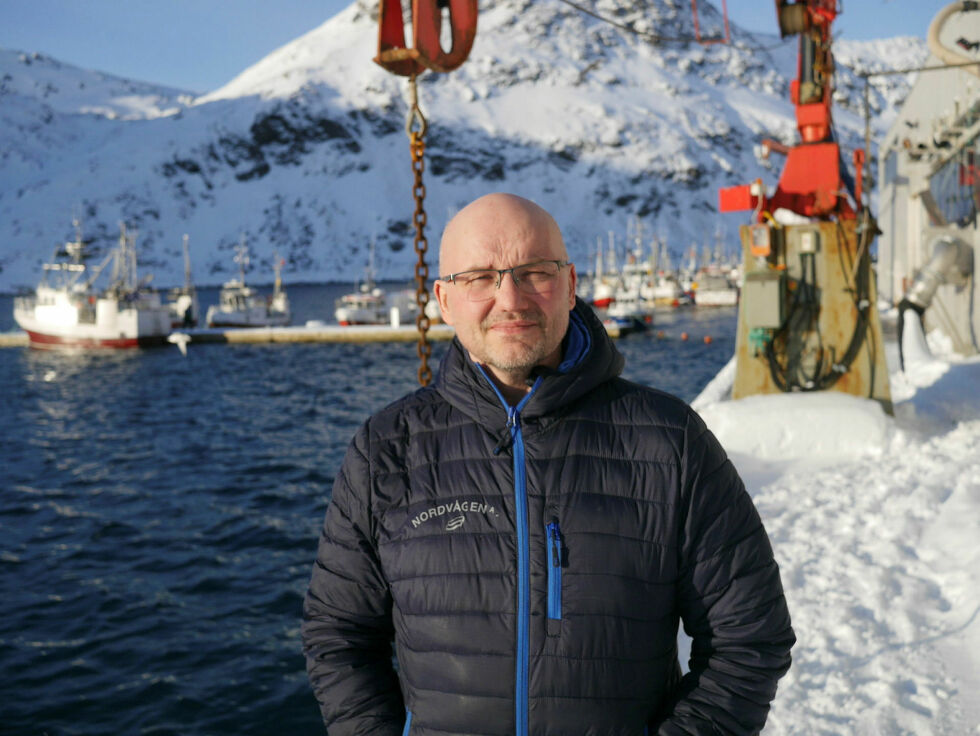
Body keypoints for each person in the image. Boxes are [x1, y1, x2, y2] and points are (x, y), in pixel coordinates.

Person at [302, 193, 795, 735]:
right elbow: (339, 636)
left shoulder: (668, 441)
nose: (510, 298)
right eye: (480, 278)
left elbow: (750, 637)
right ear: (444, 299)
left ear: (570, 283)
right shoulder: (386, 451)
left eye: (534, 272)